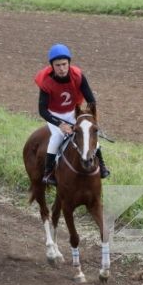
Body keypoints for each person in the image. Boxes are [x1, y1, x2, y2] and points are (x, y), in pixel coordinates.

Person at [34, 43, 109, 185]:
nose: (62, 69)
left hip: (73, 112)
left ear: (69, 63)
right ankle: (49, 172)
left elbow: (91, 101)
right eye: (57, 65)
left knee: (88, 134)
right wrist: (60, 124)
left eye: (64, 64)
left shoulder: (78, 76)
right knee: (56, 137)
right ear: (52, 66)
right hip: (54, 114)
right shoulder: (46, 81)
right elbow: (42, 110)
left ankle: (102, 166)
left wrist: (89, 118)